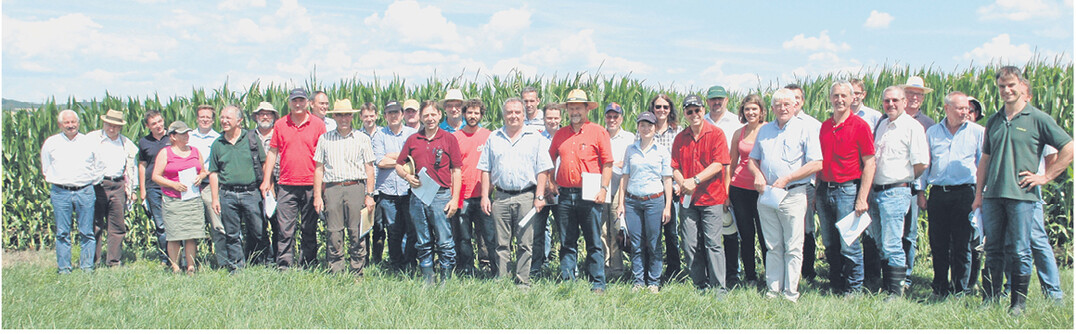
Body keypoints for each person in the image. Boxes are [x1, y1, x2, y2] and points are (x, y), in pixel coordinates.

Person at [975, 66, 1072, 315]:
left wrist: (1045, 177)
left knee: (1020, 249)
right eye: (1001, 87)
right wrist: (978, 196)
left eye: (1011, 85)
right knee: (993, 248)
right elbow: (985, 160)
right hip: (993, 195)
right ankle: (990, 299)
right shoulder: (995, 120)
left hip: (1022, 196)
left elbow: (1069, 148)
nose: (1006, 90)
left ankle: (1018, 304)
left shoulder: (1037, 118)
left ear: (1021, 86)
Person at [747, 88, 823, 302]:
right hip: (768, 194)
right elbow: (753, 160)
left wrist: (788, 179)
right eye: (778, 105)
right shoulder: (765, 130)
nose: (782, 108)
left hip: (792, 194)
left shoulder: (804, 128)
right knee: (772, 245)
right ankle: (773, 290)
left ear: (795, 106)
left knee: (793, 245)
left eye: (787, 104)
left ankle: (790, 292)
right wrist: (757, 175)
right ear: (772, 108)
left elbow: (817, 163)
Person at [478, 97, 553, 288]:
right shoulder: (494, 137)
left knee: (525, 243)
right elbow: (485, 169)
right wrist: (485, 196)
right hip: (501, 197)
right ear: (503, 115)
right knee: (501, 243)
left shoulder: (535, 137)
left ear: (523, 114)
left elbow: (543, 169)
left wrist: (539, 196)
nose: (513, 116)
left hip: (526, 197)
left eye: (517, 112)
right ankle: (502, 280)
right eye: (509, 112)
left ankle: (522, 282)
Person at [867, 86, 930, 300]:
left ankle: (896, 291)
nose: (890, 104)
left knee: (893, 242)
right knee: (880, 241)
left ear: (904, 102)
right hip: (877, 191)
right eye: (886, 101)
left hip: (895, 191)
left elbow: (921, 163)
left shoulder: (912, 127)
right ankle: (888, 285)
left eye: (895, 100)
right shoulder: (883, 125)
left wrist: (902, 176)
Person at [548, 89, 613, 294]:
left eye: (578, 107)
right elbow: (549, 160)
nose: (574, 111)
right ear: (567, 110)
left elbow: (608, 163)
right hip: (565, 194)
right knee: (567, 241)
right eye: (571, 108)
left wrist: (603, 189)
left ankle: (598, 283)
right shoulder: (560, 134)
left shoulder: (598, 131)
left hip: (590, 193)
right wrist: (551, 182)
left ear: (587, 109)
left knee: (593, 240)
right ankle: (568, 281)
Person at [817, 81, 876, 296]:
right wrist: (816, 193)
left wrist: (862, 198)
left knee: (848, 243)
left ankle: (854, 288)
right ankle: (836, 283)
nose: (839, 100)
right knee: (830, 242)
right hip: (824, 189)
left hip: (847, 191)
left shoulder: (860, 126)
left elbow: (869, 163)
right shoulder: (824, 126)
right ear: (830, 98)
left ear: (852, 99)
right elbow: (819, 162)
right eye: (835, 96)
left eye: (844, 96)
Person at [259, 88, 327, 270]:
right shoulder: (281, 125)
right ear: (289, 102)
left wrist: (323, 185)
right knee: (284, 229)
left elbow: (323, 156)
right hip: (286, 185)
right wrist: (267, 180)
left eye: (301, 101)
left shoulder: (318, 125)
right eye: (294, 101)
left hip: (311, 185)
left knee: (309, 228)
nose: (298, 104)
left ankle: (308, 264)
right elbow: (273, 152)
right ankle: (284, 265)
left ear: (307, 103)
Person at [396, 100, 463, 285]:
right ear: (421, 117)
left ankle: (446, 280)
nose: (430, 118)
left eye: (433, 114)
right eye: (426, 115)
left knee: (444, 241)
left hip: (441, 196)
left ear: (439, 115)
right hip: (418, 196)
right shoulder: (413, 140)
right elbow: (399, 165)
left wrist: (455, 199)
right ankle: (428, 279)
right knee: (423, 240)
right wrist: (407, 177)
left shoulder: (449, 139)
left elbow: (456, 170)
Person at [671, 94, 732, 294]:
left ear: (703, 111)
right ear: (686, 115)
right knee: (689, 244)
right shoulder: (680, 138)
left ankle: (718, 288)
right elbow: (674, 167)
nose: (694, 114)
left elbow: (718, 163)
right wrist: (683, 182)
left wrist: (694, 180)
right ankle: (700, 285)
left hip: (711, 198)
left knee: (713, 244)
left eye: (697, 110)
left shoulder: (716, 134)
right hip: (688, 200)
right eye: (690, 111)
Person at [924, 91, 983, 298]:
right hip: (939, 194)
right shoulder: (933, 132)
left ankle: (961, 289)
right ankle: (940, 287)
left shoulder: (977, 132)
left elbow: (983, 164)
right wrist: (921, 191)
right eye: (960, 108)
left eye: (967, 108)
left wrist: (980, 195)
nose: (965, 112)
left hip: (965, 193)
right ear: (947, 108)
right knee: (938, 243)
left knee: (962, 244)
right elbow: (926, 164)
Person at [312, 100, 377, 275]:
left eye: (347, 115)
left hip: (355, 187)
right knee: (334, 232)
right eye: (340, 115)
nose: (343, 119)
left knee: (357, 232)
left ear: (352, 116)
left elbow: (369, 168)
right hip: (333, 189)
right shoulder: (325, 138)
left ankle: (357, 271)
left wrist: (369, 194)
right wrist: (317, 196)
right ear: (334, 116)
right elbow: (319, 169)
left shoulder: (362, 139)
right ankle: (336, 271)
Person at [616, 111, 673, 293]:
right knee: (636, 243)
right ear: (638, 127)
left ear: (655, 128)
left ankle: (654, 281)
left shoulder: (662, 151)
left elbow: (667, 180)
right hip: (633, 202)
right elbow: (625, 177)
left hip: (654, 201)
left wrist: (667, 206)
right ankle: (639, 280)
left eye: (649, 125)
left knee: (654, 242)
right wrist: (621, 203)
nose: (646, 128)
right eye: (642, 125)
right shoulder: (631, 150)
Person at [208, 105, 269, 271]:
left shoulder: (250, 138)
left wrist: (266, 185)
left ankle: (261, 262)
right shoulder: (218, 144)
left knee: (258, 230)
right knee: (232, 233)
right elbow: (213, 173)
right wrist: (215, 198)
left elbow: (264, 163)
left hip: (251, 192)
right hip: (228, 194)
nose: (224, 121)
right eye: (222, 117)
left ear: (239, 121)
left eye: (228, 118)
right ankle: (237, 267)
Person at [42, 109, 101, 273]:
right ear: (60, 124)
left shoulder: (89, 142)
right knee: (62, 233)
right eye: (66, 123)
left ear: (78, 123)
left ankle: (87, 267)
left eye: (73, 122)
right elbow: (46, 168)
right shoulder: (51, 143)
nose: (70, 125)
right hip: (60, 192)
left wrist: (88, 182)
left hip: (85, 191)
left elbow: (99, 166)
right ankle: (64, 268)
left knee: (87, 232)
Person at [151, 121, 209, 274]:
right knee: (174, 234)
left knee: (191, 234)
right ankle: (175, 266)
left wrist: (201, 176)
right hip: (173, 199)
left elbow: (203, 170)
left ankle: (190, 266)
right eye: (182, 134)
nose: (186, 136)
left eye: (187, 133)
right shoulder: (165, 153)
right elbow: (156, 176)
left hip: (192, 198)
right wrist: (172, 184)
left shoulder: (195, 151)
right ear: (173, 136)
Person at [703, 85, 744, 284]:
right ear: (707, 101)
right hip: (707, 184)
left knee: (730, 230)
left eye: (720, 99)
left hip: (731, 182)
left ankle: (733, 273)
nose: (716, 102)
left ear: (726, 100)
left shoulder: (736, 122)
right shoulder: (701, 122)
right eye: (713, 99)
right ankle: (711, 271)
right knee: (710, 232)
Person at [372, 101, 419, 271]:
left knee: (411, 230)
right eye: (389, 113)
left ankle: (410, 264)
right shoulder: (379, 135)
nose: (393, 116)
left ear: (402, 114)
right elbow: (380, 162)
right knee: (393, 231)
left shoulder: (412, 133)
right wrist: (403, 158)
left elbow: (415, 158)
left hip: (409, 190)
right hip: (388, 191)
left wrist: (392, 157)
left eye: (396, 112)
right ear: (385, 116)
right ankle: (396, 265)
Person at [899, 76, 936, 289]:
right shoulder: (888, 119)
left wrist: (922, 191)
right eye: (910, 93)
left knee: (909, 233)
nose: (914, 97)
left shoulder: (928, 124)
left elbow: (927, 162)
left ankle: (907, 275)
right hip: (890, 186)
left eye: (918, 94)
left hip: (913, 188)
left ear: (922, 99)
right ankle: (890, 272)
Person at [90, 109, 138, 267]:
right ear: (104, 123)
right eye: (109, 125)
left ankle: (113, 261)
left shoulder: (126, 144)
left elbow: (133, 168)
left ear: (120, 127)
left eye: (116, 126)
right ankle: (93, 260)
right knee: (95, 224)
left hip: (118, 185)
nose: (112, 128)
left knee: (117, 225)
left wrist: (133, 189)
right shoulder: (91, 139)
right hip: (97, 185)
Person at [784, 84, 823, 281]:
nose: (794, 102)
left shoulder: (812, 125)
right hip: (782, 187)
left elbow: (818, 160)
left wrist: (816, 188)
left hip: (806, 186)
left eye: (797, 98)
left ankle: (807, 271)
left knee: (806, 228)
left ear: (802, 101)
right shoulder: (777, 124)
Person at [727, 94, 767, 287]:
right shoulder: (739, 133)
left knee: (765, 234)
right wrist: (727, 191)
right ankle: (750, 276)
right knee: (746, 235)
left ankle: (770, 274)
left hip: (762, 190)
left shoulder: (768, 130)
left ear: (761, 111)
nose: (750, 113)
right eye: (747, 109)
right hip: (739, 189)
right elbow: (731, 164)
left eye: (754, 109)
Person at [453, 98, 494, 276]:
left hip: (484, 193)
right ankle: (466, 267)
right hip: (462, 194)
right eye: (469, 112)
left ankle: (487, 266)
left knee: (487, 236)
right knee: (463, 236)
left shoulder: (489, 136)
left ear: (481, 115)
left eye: (476, 113)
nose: (472, 116)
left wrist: (490, 190)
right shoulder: (455, 138)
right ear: (463, 114)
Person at [650, 94, 684, 284]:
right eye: (658, 107)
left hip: (674, 189)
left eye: (665, 107)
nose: (661, 110)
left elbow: (682, 161)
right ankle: (653, 269)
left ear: (670, 109)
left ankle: (674, 270)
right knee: (653, 232)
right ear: (652, 109)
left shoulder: (678, 132)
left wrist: (679, 183)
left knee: (672, 233)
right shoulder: (645, 130)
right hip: (652, 189)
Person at [188, 105, 227, 268]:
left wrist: (205, 173)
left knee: (217, 224)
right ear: (197, 119)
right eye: (202, 117)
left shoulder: (218, 139)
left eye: (208, 117)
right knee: (189, 226)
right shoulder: (188, 137)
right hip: (189, 186)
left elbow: (219, 164)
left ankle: (223, 262)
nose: (205, 120)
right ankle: (188, 262)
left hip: (209, 185)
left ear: (213, 120)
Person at [603, 102, 635, 280]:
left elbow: (629, 164)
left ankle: (617, 269)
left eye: (616, 116)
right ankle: (604, 266)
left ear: (621, 118)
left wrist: (611, 165)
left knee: (616, 229)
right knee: (602, 229)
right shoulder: (600, 135)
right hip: (602, 187)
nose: (612, 119)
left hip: (620, 189)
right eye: (609, 116)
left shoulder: (629, 138)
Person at [531, 103, 562, 278]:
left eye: (556, 118)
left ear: (560, 118)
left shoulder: (566, 137)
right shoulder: (536, 139)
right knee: (537, 231)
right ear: (543, 120)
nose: (552, 121)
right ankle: (536, 267)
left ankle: (565, 269)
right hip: (541, 191)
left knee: (565, 231)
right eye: (549, 118)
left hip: (561, 191)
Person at [138, 110, 171, 264]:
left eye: (159, 121)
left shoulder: (172, 137)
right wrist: (142, 190)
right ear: (147, 126)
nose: (158, 125)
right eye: (153, 124)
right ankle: (166, 257)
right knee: (160, 224)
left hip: (172, 185)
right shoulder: (144, 142)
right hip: (153, 187)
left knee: (176, 222)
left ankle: (181, 256)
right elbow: (142, 165)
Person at [251, 101, 279, 263]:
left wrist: (272, 183)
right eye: (262, 114)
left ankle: (275, 258)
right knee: (256, 224)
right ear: (256, 117)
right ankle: (259, 258)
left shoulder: (279, 134)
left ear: (274, 117)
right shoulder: (249, 136)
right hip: (254, 185)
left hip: (278, 184)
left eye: (269, 114)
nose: (265, 116)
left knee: (277, 224)